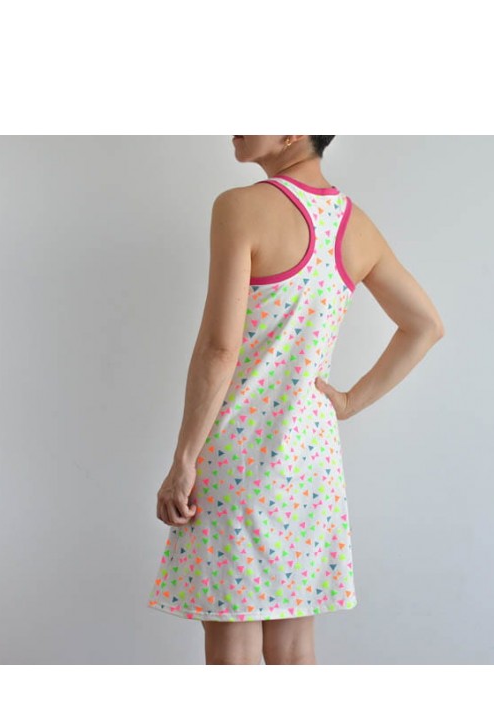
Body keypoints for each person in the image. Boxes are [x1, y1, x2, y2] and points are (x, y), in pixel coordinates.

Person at [148, 135, 445, 664]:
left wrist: (184, 459)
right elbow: (424, 325)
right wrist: (347, 403)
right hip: (311, 462)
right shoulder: (355, 225)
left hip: (238, 454)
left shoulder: (240, 207)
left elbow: (220, 348)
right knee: (292, 648)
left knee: (233, 645)